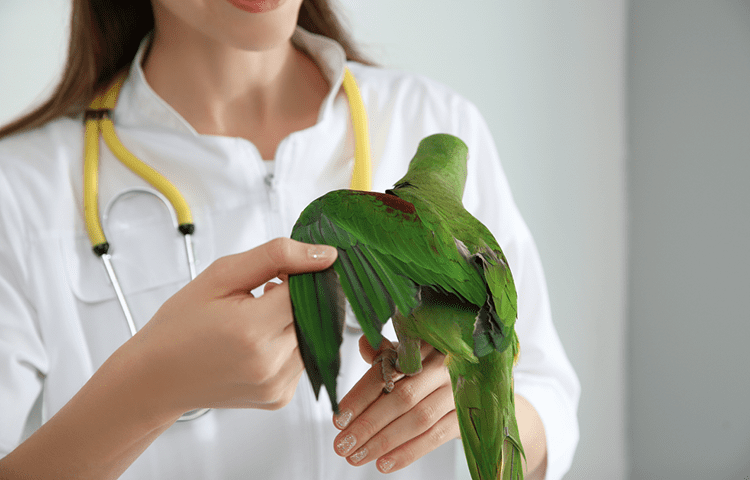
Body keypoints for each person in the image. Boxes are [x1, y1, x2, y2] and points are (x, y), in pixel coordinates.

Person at [0, 1, 579, 479]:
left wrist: (482, 404)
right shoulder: (21, 188)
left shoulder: (433, 123)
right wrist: (148, 390)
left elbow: (546, 393)